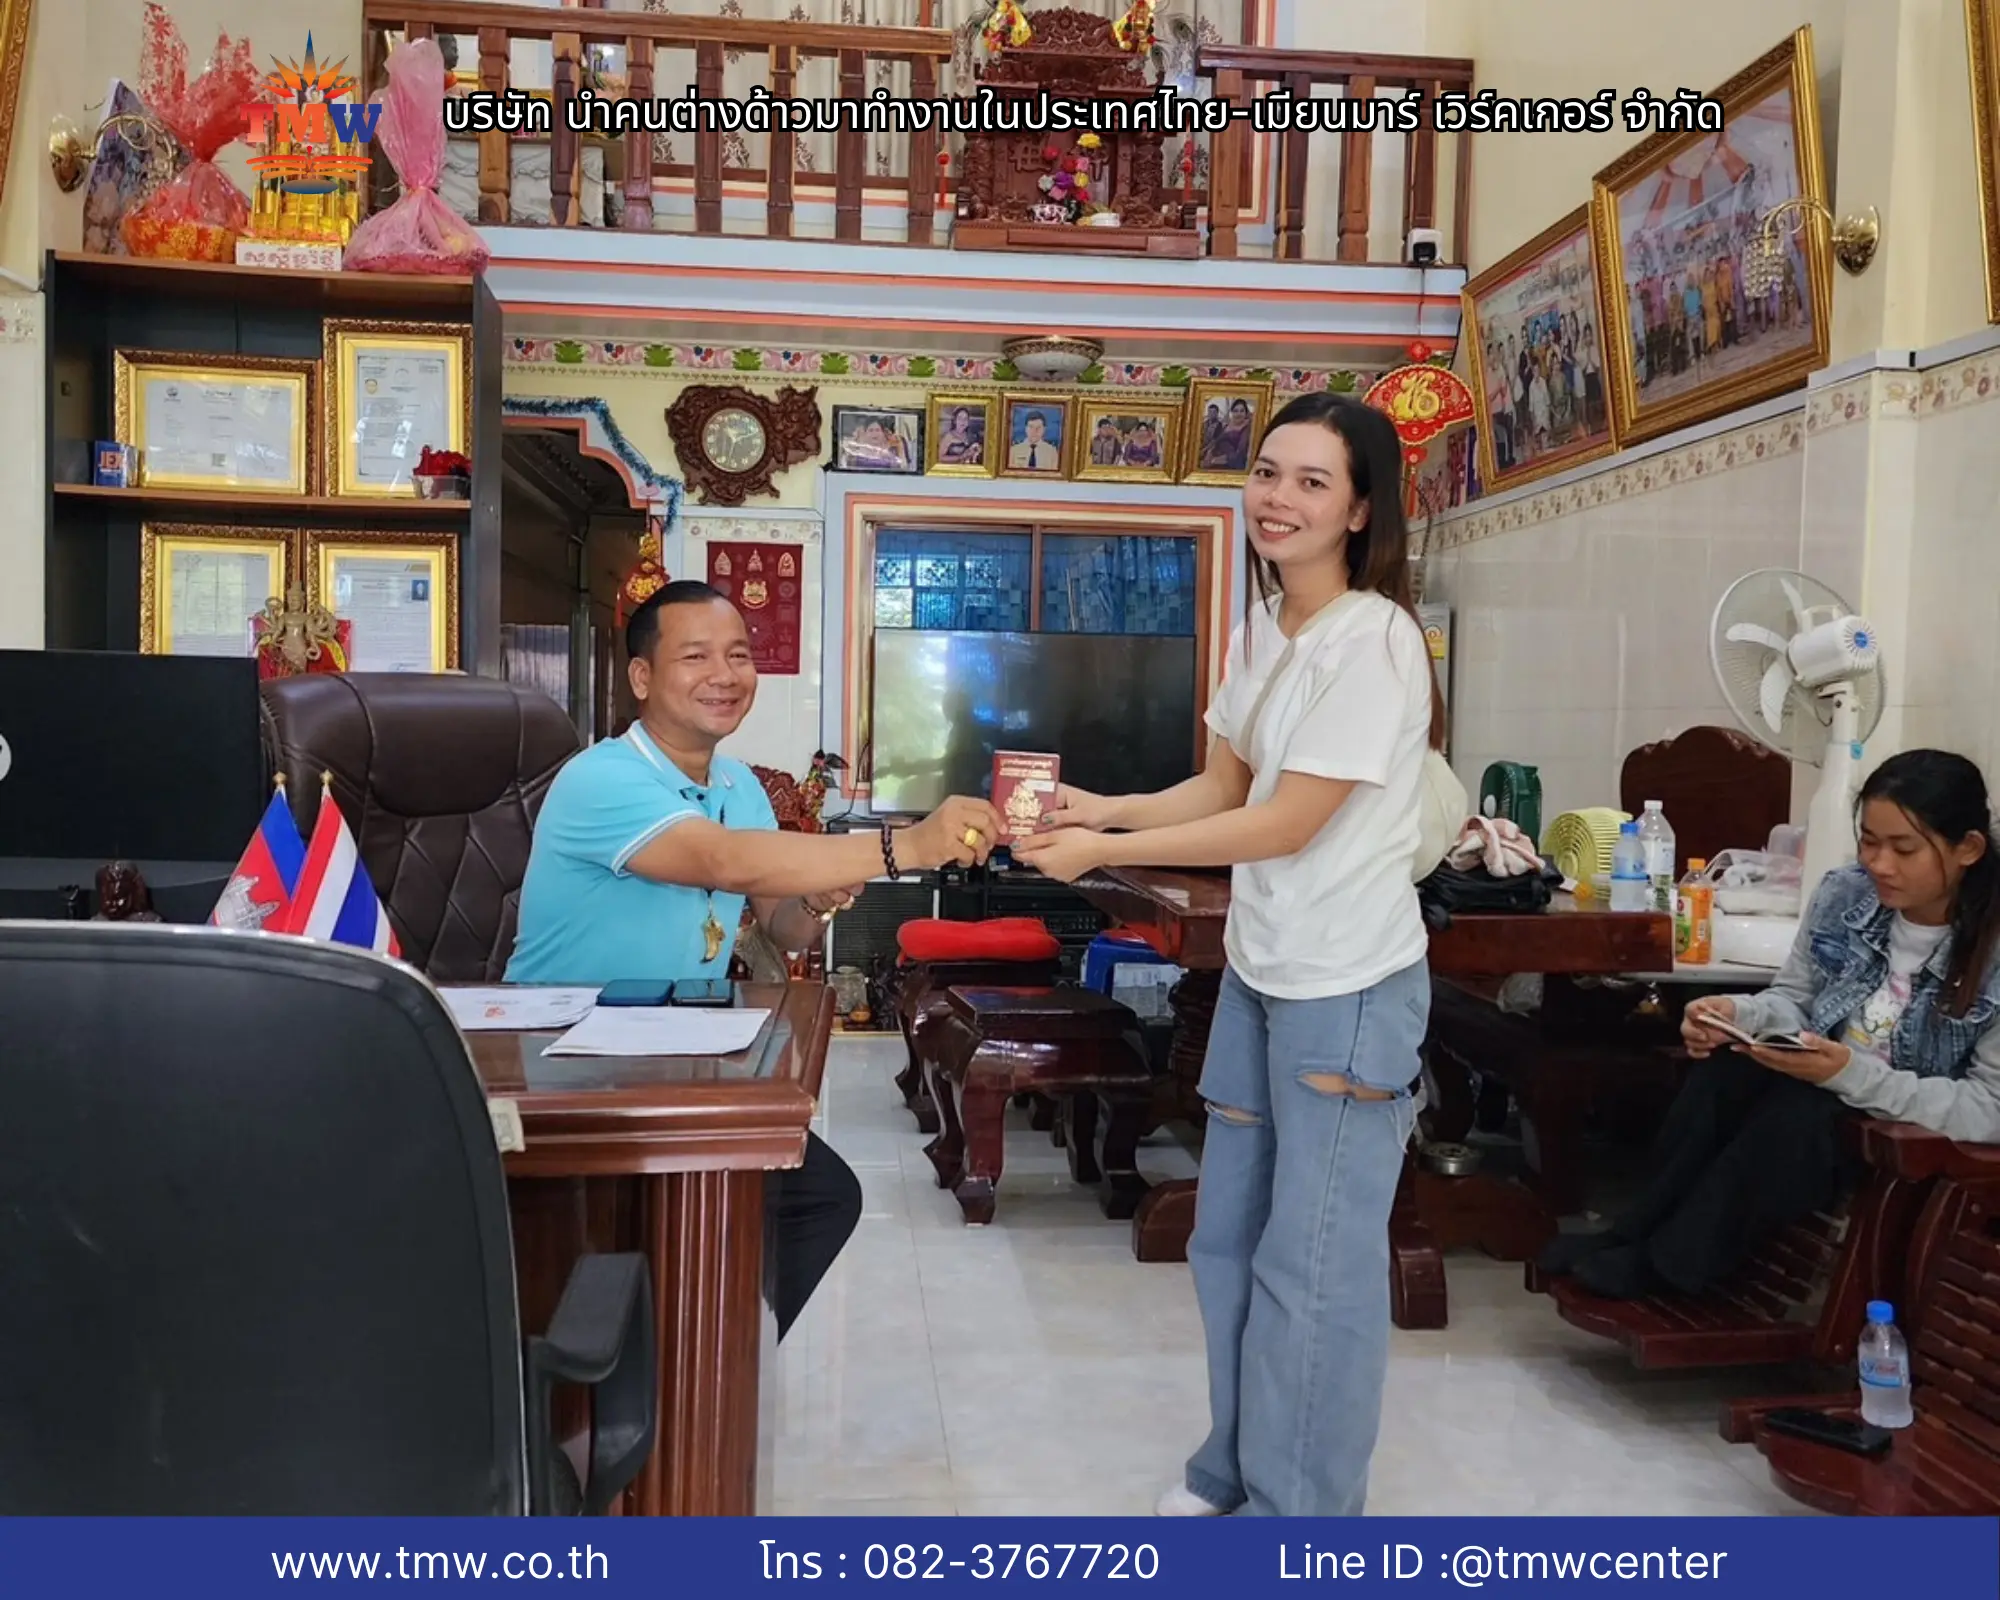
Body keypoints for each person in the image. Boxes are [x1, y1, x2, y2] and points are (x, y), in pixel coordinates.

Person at [1014, 393, 1445, 1518]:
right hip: (1259, 972)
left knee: (1314, 1262)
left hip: (1349, 985)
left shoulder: (1376, 640)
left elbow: (1285, 824)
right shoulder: (1262, 627)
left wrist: (1102, 854)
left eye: (1312, 481)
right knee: (1225, 1239)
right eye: (1266, 472)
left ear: (1360, 510)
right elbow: (1223, 786)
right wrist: (1100, 809)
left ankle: (1301, 1517)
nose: (1278, 498)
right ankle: (1234, 1465)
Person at [507, 580, 1004, 1339]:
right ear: (641, 676)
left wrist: (816, 900)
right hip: (564, 1060)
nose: (725, 675)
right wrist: (906, 846)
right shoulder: (601, 777)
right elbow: (724, 861)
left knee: (818, 1199)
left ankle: (718, 1365)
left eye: (739, 655)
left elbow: (782, 928)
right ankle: (678, 1363)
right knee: (667, 1232)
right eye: (696, 657)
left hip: (673, 1055)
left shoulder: (738, 784)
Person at [1539, 750, 2000, 1301]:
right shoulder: (1846, 893)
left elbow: (1987, 1109)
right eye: (1869, 842)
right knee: (1724, 1071)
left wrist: (1848, 1075)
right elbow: (1796, 999)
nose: (1879, 864)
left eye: (1904, 849)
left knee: (1800, 1116)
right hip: (1827, 1081)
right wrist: (1739, 1015)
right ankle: (1632, 1233)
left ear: (1968, 848)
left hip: (1903, 1122)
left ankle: (1671, 1267)